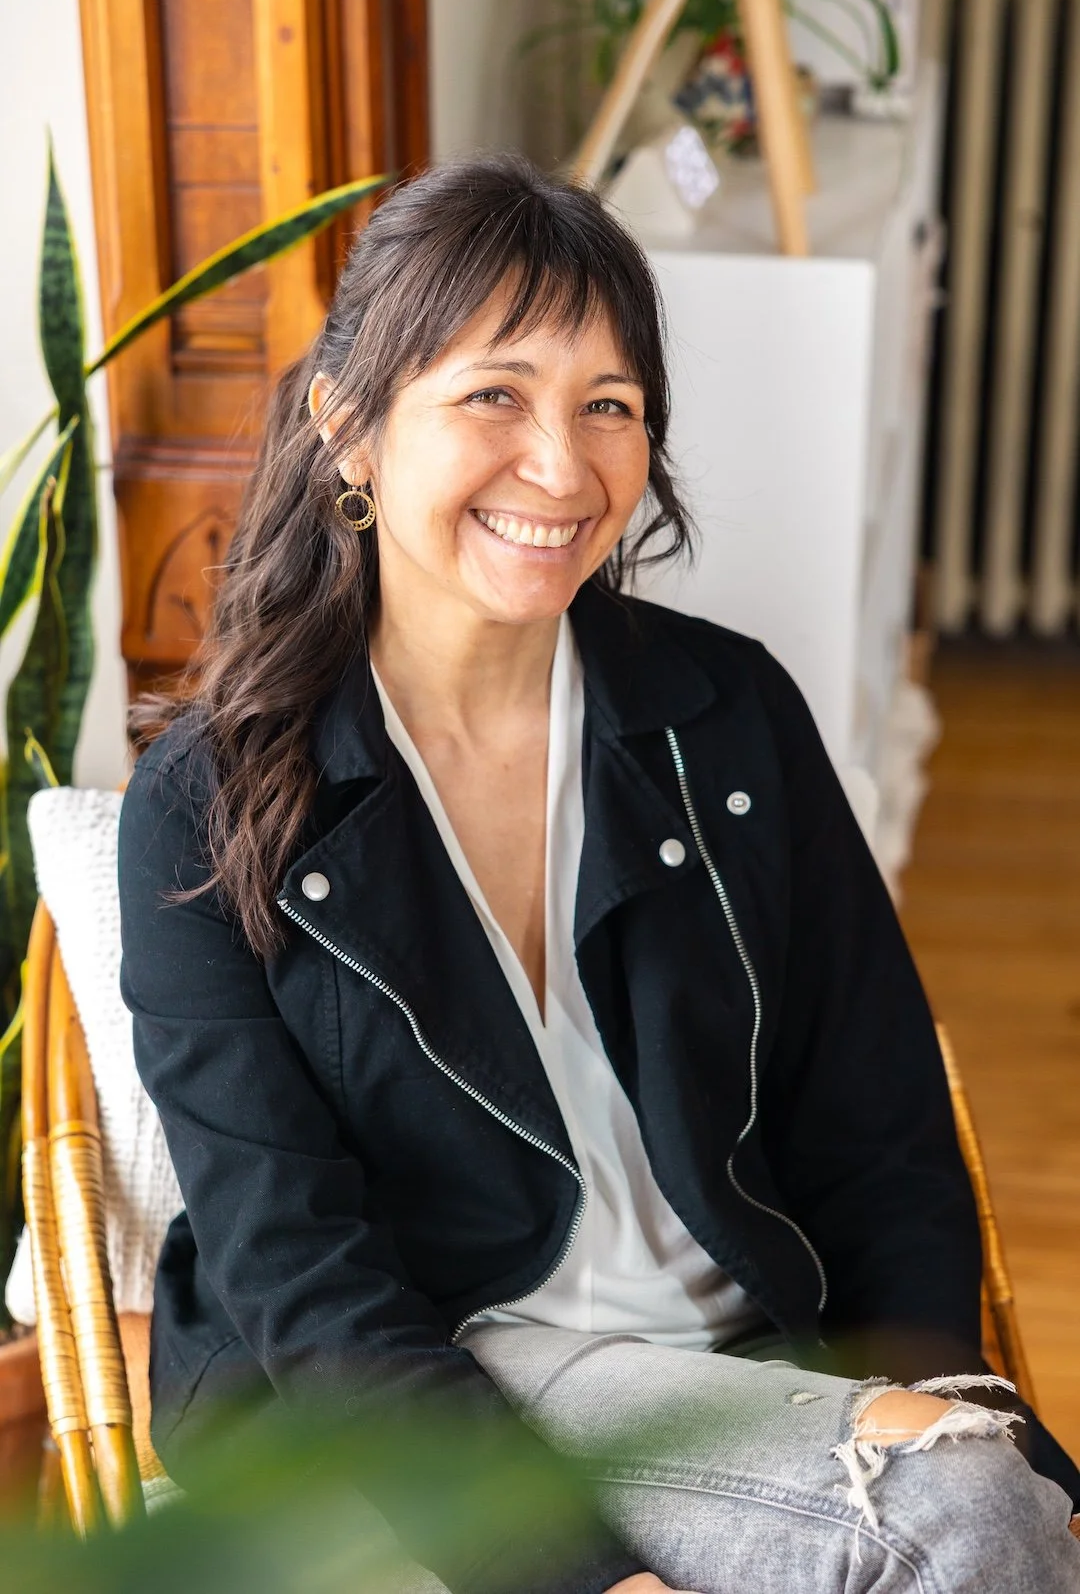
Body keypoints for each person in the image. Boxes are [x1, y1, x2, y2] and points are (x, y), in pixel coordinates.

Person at [118, 152, 1080, 1593]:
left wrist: (943, 1406)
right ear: (350, 426)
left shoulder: (727, 718)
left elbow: (878, 1132)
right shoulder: (207, 806)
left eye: (609, 407)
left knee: (998, 1509)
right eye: (494, 396)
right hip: (446, 1390)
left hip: (748, 1369)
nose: (562, 469)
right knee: (969, 1527)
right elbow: (296, 1269)